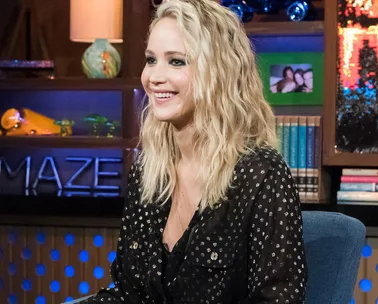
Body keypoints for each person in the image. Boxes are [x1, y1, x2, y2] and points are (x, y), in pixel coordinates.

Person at [81, 0, 307, 303]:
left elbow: (277, 299)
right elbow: (127, 293)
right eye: (151, 60)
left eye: (176, 61)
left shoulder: (261, 175)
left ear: (219, 72)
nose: (154, 77)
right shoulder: (148, 169)